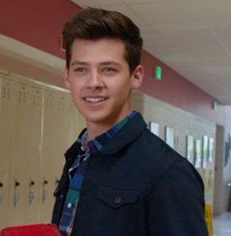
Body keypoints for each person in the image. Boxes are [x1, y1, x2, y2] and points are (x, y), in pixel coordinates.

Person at [52, 7, 208, 236]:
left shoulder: (168, 173)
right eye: (81, 69)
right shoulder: (79, 157)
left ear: (136, 77)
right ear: (67, 77)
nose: (93, 82)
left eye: (108, 69)